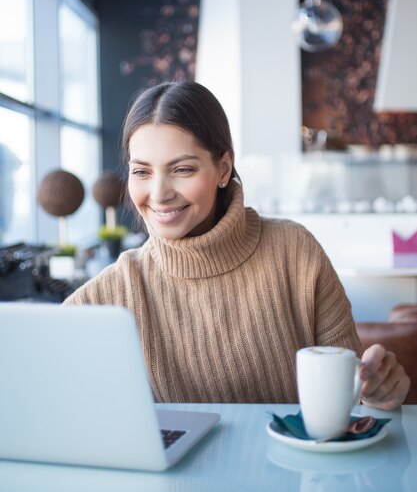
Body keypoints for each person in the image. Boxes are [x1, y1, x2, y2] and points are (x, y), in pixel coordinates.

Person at [64, 81, 410, 408]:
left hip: (296, 472)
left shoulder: (295, 253)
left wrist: (380, 392)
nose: (158, 194)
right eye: (141, 172)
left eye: (182, 169)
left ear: (224, 168)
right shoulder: (112, 292)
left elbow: (352, 399)